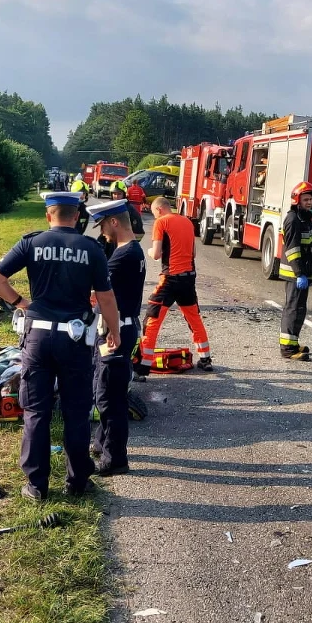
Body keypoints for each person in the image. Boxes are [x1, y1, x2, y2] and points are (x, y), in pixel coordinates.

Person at [0, 191, 121, 501]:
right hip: (74, 341)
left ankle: (36, 486)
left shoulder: (30, 243)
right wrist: (113, 331)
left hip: (38, 338)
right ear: (76, 217)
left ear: (48, 215)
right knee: (76, 412)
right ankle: (77, 482)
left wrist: (22, 303)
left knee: (35, 412)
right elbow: (106, 298)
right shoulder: (91, 249)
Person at [87, 199, 146, 476]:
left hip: (115, 332)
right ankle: (101, 442)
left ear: (114, 222)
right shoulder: (131, 250)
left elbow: (100, 290)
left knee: (110, 397)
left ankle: (115, 459)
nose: (101, 233)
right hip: (118, 327)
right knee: (107, 389)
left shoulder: (123, 256)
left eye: (102, 225)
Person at [138, 197, 212, 372]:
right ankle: (205, 358)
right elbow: (193, 253)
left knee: (152, 319)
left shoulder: (161, 222)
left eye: (154, 213)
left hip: (170, 278)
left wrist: (149, 251)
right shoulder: (187, 222)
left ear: (158, 210)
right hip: (188, 278)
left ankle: (143, 366)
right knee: (193, 317)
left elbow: (156, 254)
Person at [278, 181, 312, 361]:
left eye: (310, 199)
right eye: (305, 199)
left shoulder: (304, 218)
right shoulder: (293, 219)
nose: (309, 202)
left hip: (303, 273)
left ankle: (293, 343)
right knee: (293, 309)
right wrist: (300, 273)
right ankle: (287, 349)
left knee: (299, 309)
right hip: (296, 274)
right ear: (297, 200)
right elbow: (293, 249)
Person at [98, 180, 144, 257]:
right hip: (108, 246)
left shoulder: (130, 210)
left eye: (119, 194)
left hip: (123, 247)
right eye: (114, 194)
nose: (116, 196)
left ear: (124, 194)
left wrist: (128, 243)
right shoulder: (107, 208)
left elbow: (139, 232)